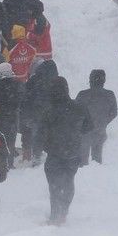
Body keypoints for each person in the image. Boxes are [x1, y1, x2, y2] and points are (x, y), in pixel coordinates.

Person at [39, 77, 93, 225]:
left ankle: (55, 214)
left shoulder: (49, 110)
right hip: (73, 152)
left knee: (54, 185)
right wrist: (75, 132)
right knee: (69, 180)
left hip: (54, 153)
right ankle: (64, 212)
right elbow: (89, 126)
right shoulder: (79, 107)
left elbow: (40, 133)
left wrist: (44, 145)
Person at [75, 70, 118, 165]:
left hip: (84, 132)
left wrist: (82, 123)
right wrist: (104, 121)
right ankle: (97, 175)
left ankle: (83, 175)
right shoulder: (109, 95)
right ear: (104, 81)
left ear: (90, 80)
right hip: (100, 130)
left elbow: (75, 112)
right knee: (97, 159)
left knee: (82, 160)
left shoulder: (82, 95)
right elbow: (114, 113)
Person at [21, 59, 57, 163]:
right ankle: (46, 156)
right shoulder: (56, 81)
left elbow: (25, 96)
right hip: (50, 115)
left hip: (34, 113)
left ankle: (30, 157)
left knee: (33, 135)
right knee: (49, 135)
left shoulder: (34, 80)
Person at [0, 62, 24, 161]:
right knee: (11, 138)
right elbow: (20, 99)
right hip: (13, 116)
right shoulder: (18, 84)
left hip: (0, 116)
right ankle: (9, 160)